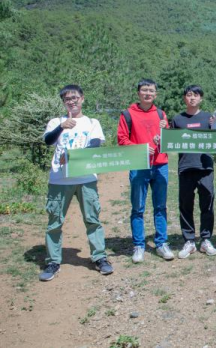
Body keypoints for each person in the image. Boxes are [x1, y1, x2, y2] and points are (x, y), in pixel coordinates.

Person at [39, 84, 113, 281]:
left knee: (92, 219)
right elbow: (48, 140)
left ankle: (99, 257)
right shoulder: (57, 121)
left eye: (75, 98)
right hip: (58, 179)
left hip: (86, 178)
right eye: (67, 99)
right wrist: (61, 127)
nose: (71, 101)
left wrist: (79, 157)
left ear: (82, 98)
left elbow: (96, 143)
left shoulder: (92, 122)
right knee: (54, 221)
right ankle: (53, 261)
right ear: (64, 102)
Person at [117, 78, 174, 262]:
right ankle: (139, 245)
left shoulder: (160, 114)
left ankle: (161, 243)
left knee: (160, 206)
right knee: (138, 207)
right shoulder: (127, 114)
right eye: (144, 90)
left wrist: (164, 134)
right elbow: (122, 140)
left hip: (160, 164)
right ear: (138, 93)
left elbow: (170, 140)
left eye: (151, 91)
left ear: (155, 94)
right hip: (139, 166)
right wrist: (141, 148)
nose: (148, 93)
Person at [172, 85, 216, 259]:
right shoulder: (177, 119)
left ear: (201, 98)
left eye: (196, 95)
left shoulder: (208, 117)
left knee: (207, 203)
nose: (192, 98)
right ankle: (189, 240)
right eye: (189, 95)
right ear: (185, 98)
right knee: (185, 204)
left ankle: (206, 239)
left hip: (205, 166)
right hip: (185, 167)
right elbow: (170, 140)